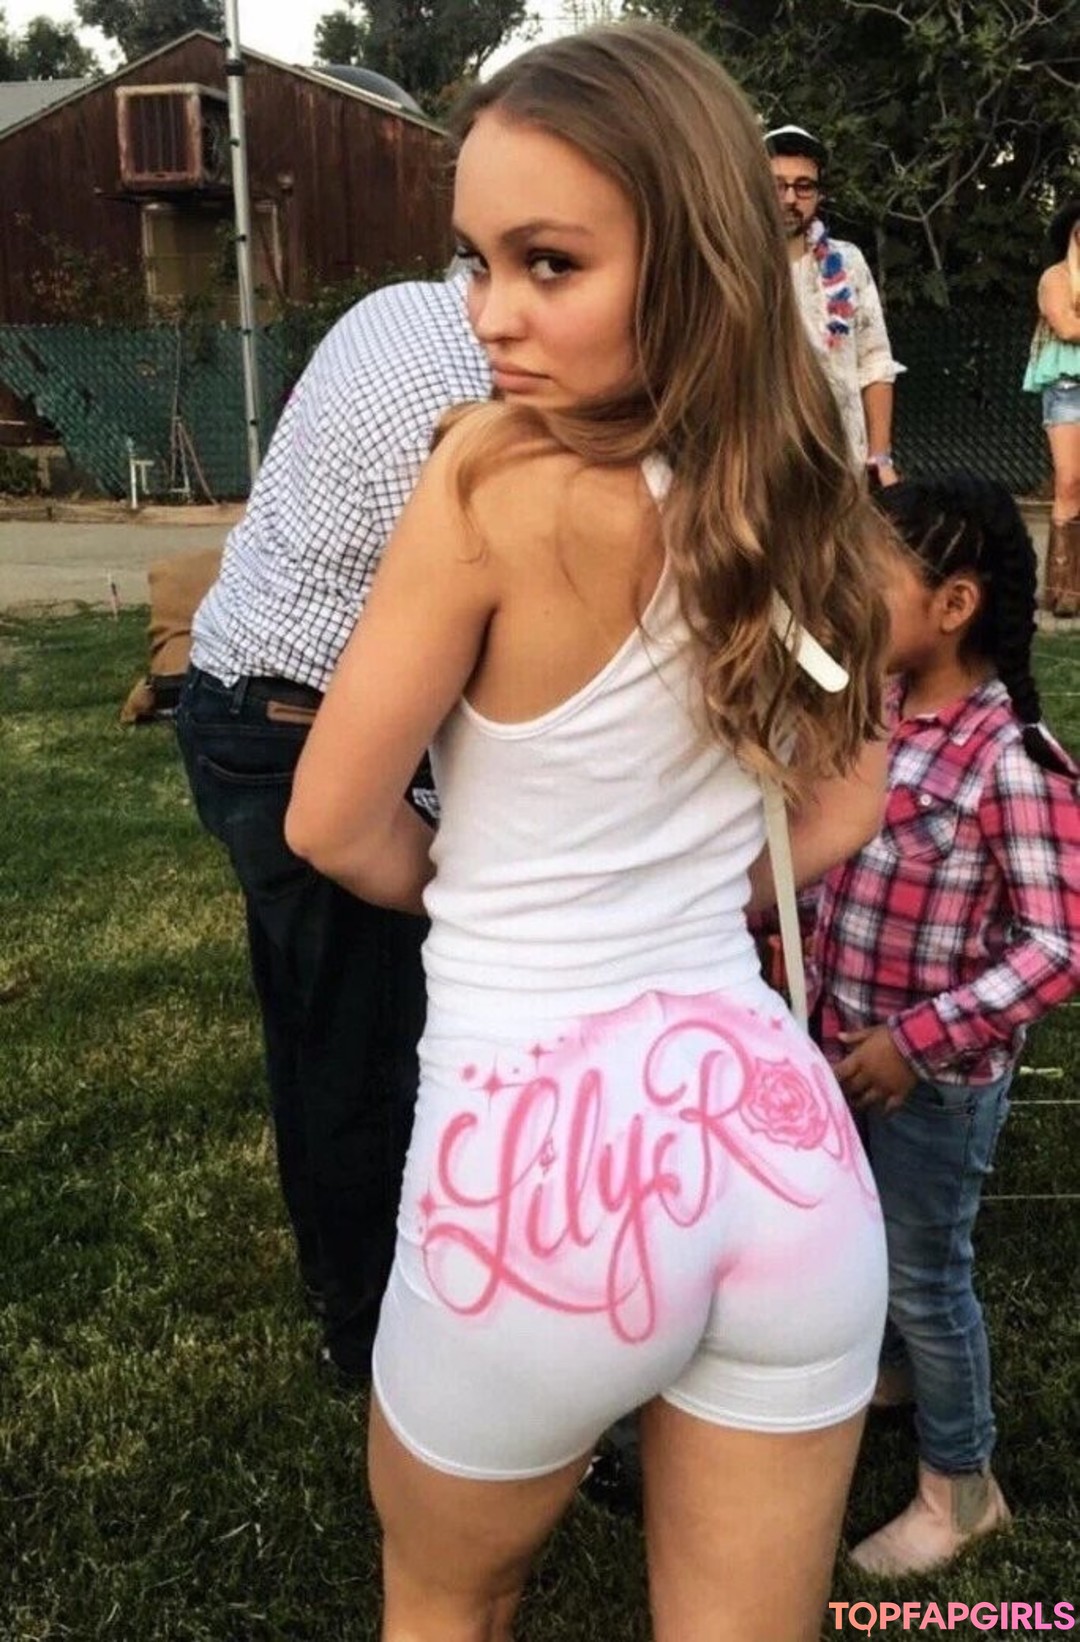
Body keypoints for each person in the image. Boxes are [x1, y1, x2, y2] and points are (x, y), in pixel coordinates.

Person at [287, 23, 895, 1641]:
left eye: (548, 262)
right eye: (476, 260)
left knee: (445, 1604)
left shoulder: (489, 484)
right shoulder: (807, 489)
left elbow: (332, 817)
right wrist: (680, 894)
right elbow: (850, 797)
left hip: (535, 1180)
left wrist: (472, 893)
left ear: (692, 260)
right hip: (780, 1151)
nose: (491, 312)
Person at [174, 276, 491, 1384]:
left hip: (235, 697)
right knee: (370, 1056)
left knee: (321, 1036)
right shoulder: (470, 395)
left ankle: (345, 1290)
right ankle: (377, 1334)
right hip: (300, 727)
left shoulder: (402, 305)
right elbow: (485, 627)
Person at [813, 473, 1080, 1577]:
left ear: (955, 604)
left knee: (927, 1272)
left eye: (867, 579)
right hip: (847, 1048)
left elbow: (1057, 945)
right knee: (865, 1239)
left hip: (937, 1084)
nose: (844, 597)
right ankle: (893, 1370)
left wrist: (914, 1044)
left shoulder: (1008, 756)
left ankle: (962, 1487)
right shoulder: (876, 708)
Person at [765, 124, 903, 485]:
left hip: (840, 463)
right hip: (758, 465)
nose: (790, 198)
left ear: (819, 194)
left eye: (803, 186)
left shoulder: (847, 262)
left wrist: (880, 457)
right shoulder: (732, 266)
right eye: (777, 185)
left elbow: (875, 362)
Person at [1022, 198, 1080, 616]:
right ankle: (1061, 591)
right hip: (1066, 387)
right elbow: (1066, 326)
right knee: (1069, 482)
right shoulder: (1056, 277)